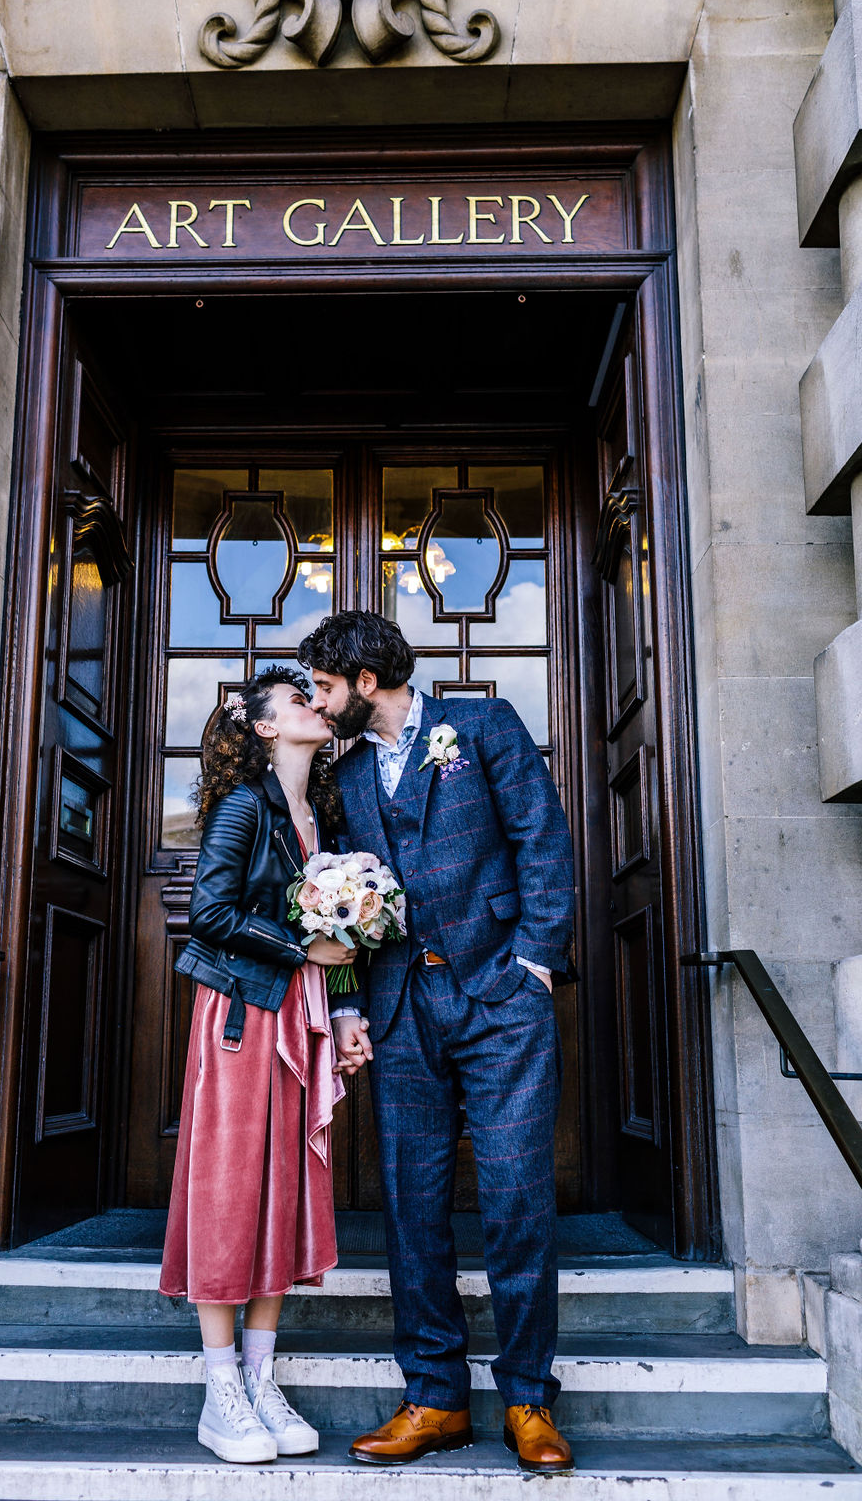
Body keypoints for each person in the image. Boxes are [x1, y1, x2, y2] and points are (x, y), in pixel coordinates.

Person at [298, 610, 576, 1475]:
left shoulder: (484, 727)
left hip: (501, 1000)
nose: (318, 699)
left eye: (326, 686)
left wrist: (534, 962)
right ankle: (435, 1398)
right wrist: (346, 1005)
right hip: (400, 1006)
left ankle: (527, 1397)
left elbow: (542, 840)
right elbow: (330, 898)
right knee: (412, 1205)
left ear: (366, 684)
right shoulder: (341, 779)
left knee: (515, 1198)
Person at [159, 666, 358, 1464]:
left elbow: (343, 928)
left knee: (284, 1185)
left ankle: (260, 1375)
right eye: (300, 699)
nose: (317, 704)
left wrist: (345, 1010)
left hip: (302, 1018)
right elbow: (208, 913)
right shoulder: (245, 805)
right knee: (230, 1185)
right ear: (267, 727)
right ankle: (221, 1392)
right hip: (241, 1012)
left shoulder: (320, 815)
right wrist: (299, 948)